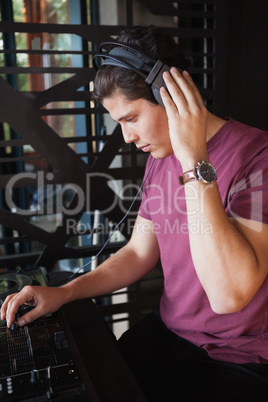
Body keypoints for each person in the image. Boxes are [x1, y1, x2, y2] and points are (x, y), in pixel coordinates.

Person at [1, 25, 268, 401]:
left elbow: (228, 297)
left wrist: (192, 159)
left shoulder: (258, 158)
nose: (127, 137)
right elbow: (139, 252)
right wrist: (65, 292)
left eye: (130, 119)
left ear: (172, 95)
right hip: (170, 334)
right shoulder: (159, 158)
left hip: (241, 359)